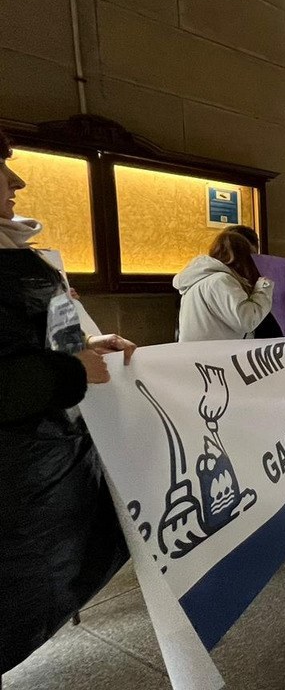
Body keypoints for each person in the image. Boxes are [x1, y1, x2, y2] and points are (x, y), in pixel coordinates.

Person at [1, 130, 135, 675]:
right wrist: (68, 369)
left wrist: (79, 347)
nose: (16, 182)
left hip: (37, 477)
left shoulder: (14, 252)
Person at [174, 230, 273, 342]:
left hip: (200, 354)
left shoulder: (197, 281)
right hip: (217, 355)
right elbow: (247, 321)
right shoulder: (221, 281)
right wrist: (263, 289)